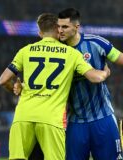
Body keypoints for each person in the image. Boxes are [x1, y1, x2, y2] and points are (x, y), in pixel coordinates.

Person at [0, 13, 109, 160]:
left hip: (23, 117)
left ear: (39, 32)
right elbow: (95, 78)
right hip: (51, 119)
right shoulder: (71, 53)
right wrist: (105, 72)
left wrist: (16, 89)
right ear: (58, 30)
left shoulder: (25, 51)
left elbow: (3, 80)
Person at [57, 8, 123, 160]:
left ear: (76, 27)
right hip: (75, 122)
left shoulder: (96, 43)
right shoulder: (58, 51)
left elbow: (120, 58)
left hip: (103, 118)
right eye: (58, 26)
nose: (60, 30)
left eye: (65, 27)